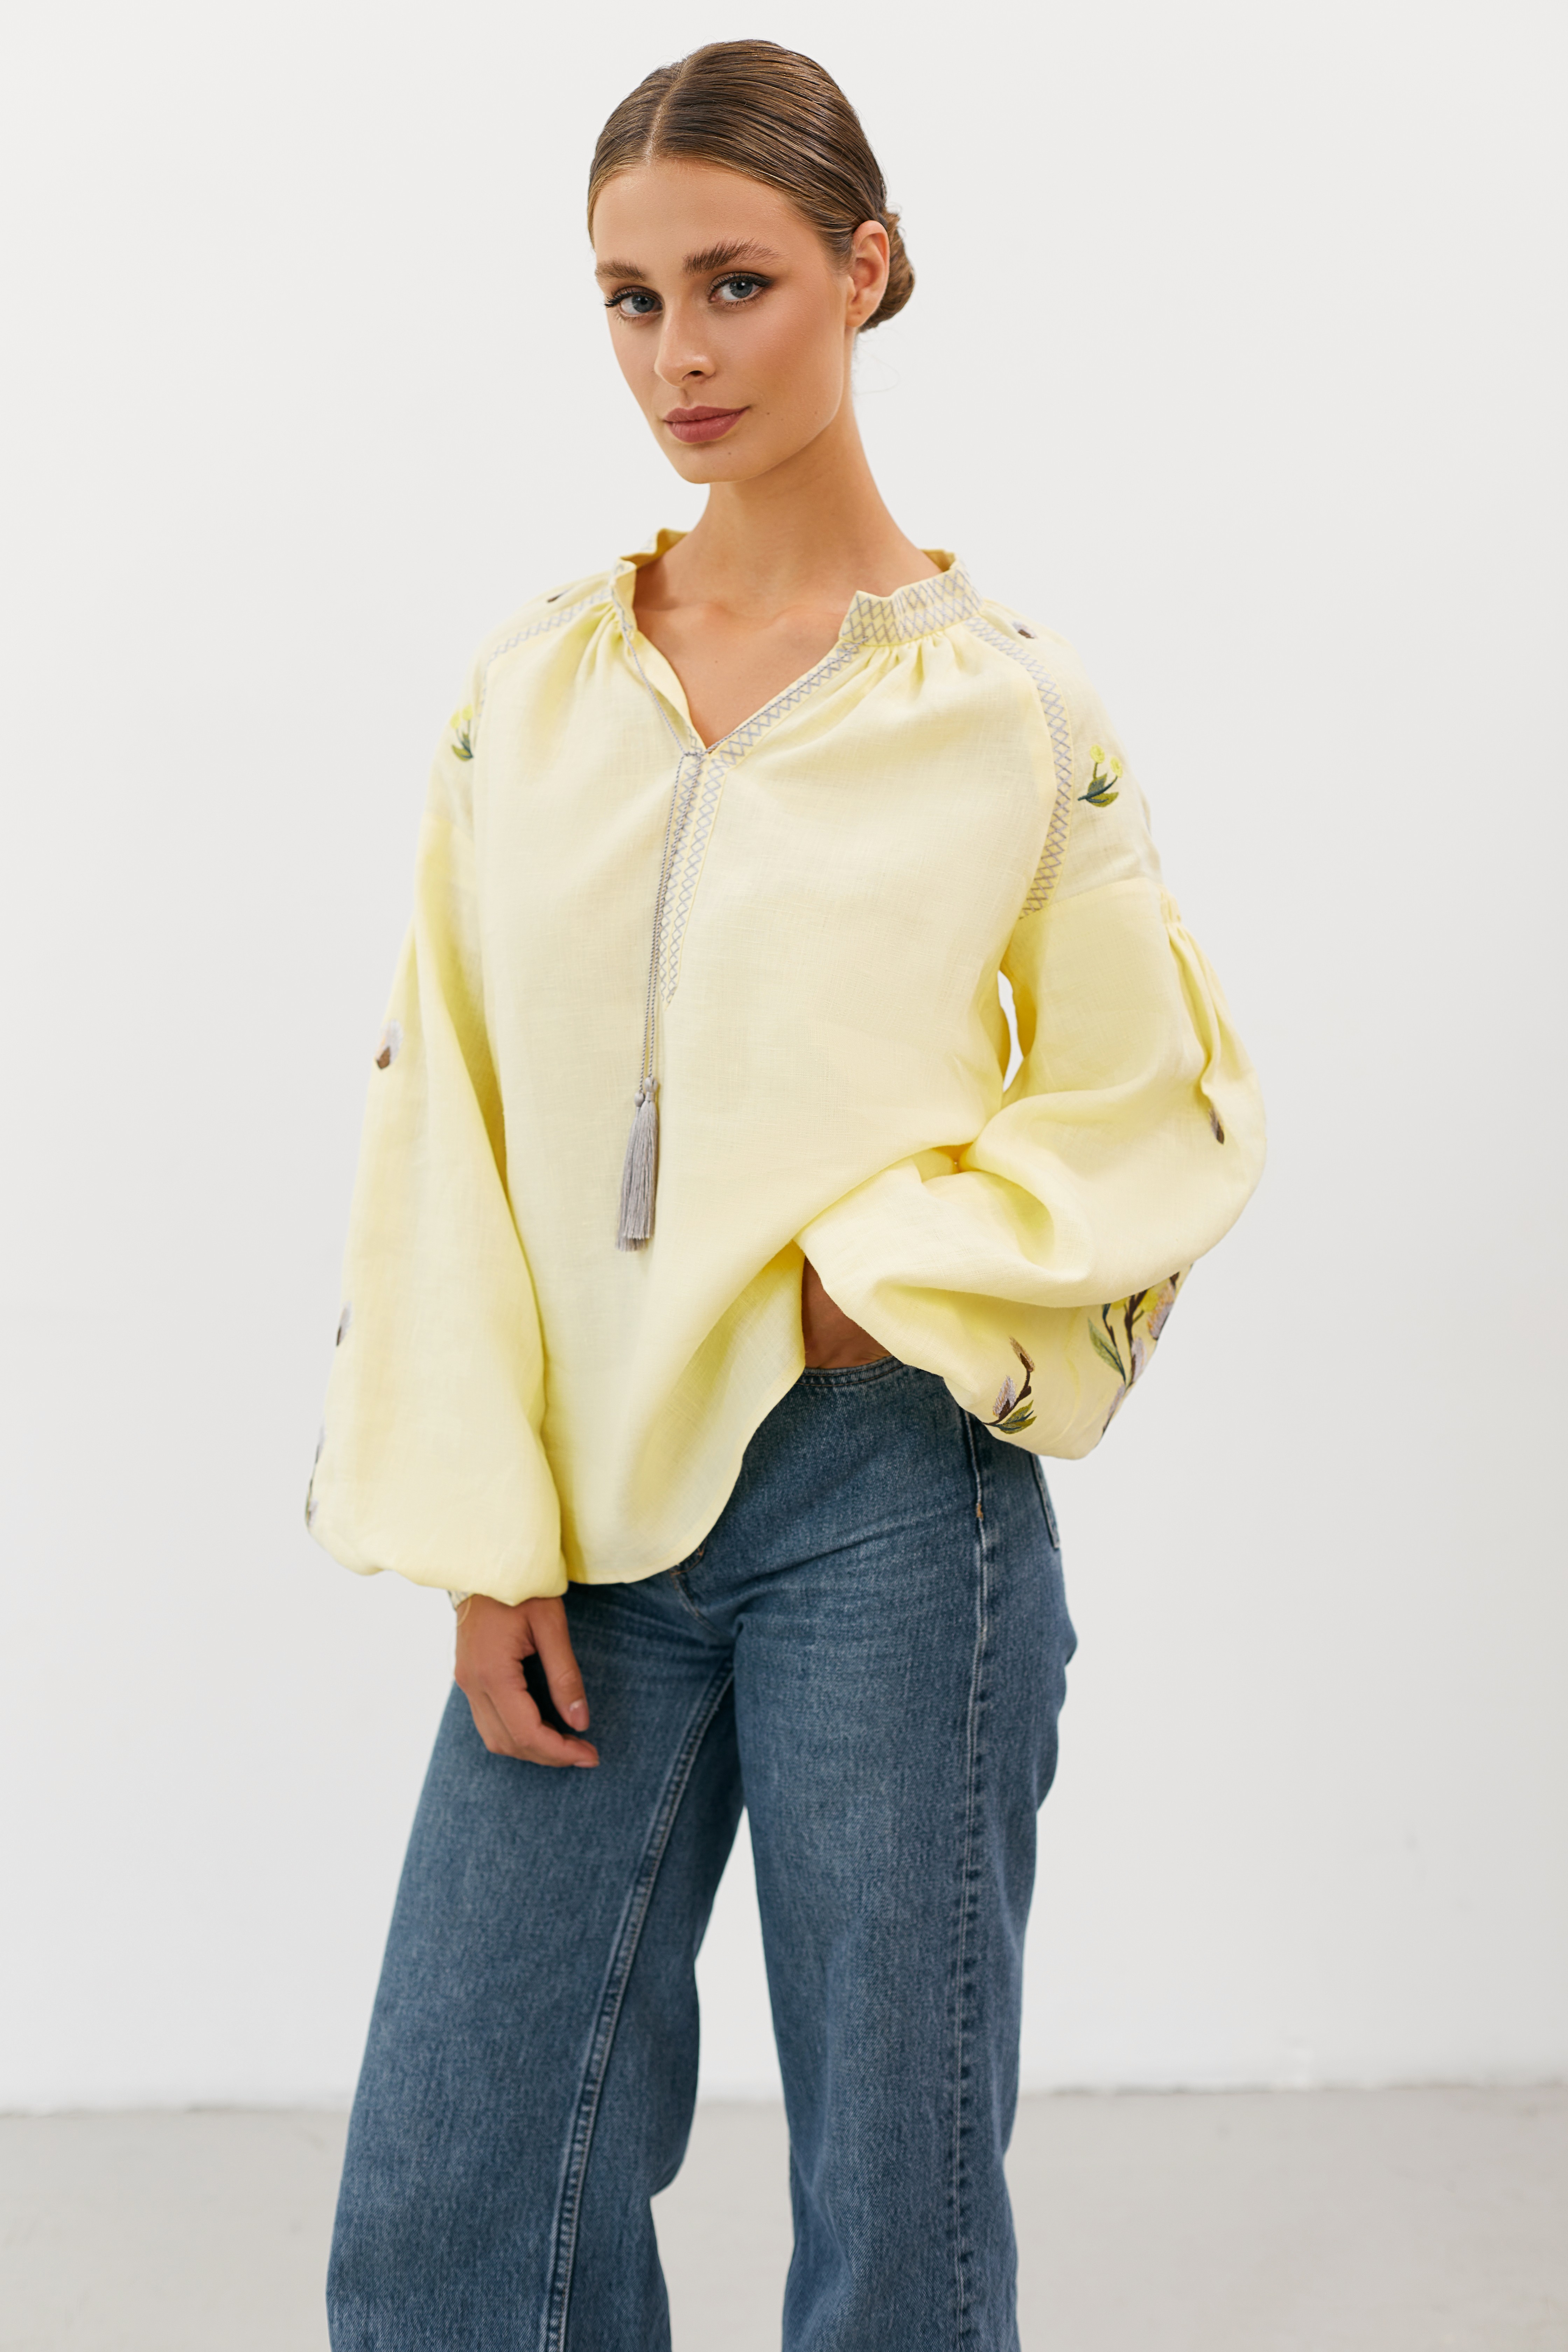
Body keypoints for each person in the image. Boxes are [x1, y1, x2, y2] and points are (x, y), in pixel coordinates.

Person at [310, 38, 1265, 2352]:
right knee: (453, 2199)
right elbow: (443, 1112)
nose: (681, 357)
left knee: (895, 2208)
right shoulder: (530, 693)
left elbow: (1162, 1105)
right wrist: (475, 1533)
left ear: (866, 266)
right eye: (629, 302)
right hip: (579, 1521)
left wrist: (881, 1284)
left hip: (888, 1500)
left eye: (733, 284)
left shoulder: (1010, 708)